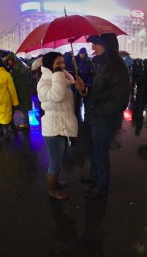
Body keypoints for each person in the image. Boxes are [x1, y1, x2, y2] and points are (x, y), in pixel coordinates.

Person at [75, 33, 131, 199]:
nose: (92, 48)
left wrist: (97, 110)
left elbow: (120, 102)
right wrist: (85, 89)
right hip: (95, 117)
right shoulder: (104, 63)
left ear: (107, 46)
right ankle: (95, 177)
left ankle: (102, 187)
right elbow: (101, 90)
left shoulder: (118, 67)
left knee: (100, 154)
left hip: (104, 120)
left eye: (96, 44)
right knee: (93, 151)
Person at [37, 52, 78, 200]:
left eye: (62, 63)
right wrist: (59, 75)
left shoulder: (60, 79)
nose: (62, 66)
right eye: (58, 63)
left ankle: (56, 183)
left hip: (62, 125)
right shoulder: (43, 83)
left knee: (59, 159)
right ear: (49, 65)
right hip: (53, 128)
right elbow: (57, 96)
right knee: (54, 162)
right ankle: (52, 190)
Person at [5, 52, 33, 131]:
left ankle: (25, 124)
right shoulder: (17, 66)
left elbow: (16, 75)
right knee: (22, 107)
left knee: (23, 107)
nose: (9, 62)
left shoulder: (18, 67)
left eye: (9, 60)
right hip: (21, 90)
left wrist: (12, 71)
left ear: (13, 59)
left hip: (22, 90)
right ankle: (25, 123)